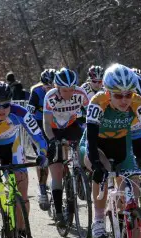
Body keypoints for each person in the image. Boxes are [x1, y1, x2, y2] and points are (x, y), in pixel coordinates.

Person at [83, 64, 141, 238]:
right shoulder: (97, 102)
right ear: (107, 93)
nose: (124, 100)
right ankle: (98, 220)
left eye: (128, 95)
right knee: (103, 171)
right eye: (118, 95)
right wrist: (95, 163)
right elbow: (90, 139)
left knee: (131, 196)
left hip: (121, 146)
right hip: (96, 146)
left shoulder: (137, 102)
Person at [0, 81, 48, 234]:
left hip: (12, 145)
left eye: (5, 105)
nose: (2, 110)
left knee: (23, 193)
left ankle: (21, 231)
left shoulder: (20, 112)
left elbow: (38, 137)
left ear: (10, 102)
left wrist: (42, 154)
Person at [42, 68, 89, 226]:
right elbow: (47, 123)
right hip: (54, 129)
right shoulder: (50, 97)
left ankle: (80, 173)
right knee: (56, 170)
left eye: (72, 89)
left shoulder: (81, 94)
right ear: (57, 88)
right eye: (65, 90)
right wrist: (52, 140)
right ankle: (59, 212)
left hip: (71, 125)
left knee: (84, 148)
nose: (69, 93)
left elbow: (91, 114)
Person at [27, 68, 55, 209]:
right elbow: (30, 111)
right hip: (38, 123)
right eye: (47, 86)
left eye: (52, 86)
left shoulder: (60, 91)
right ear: (42, 84)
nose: (50, 89)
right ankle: (42, 187)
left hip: (53, 122)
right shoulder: (36, 91)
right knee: (42, 154)